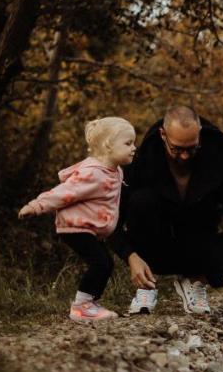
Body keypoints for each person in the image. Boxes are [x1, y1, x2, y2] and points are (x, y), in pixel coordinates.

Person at [110, 106, 223, 315]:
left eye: (191, 148)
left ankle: (194, 280)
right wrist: (131, 256)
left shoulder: (217, 157)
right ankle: (146, 288)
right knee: (142, 200)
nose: (184, 156)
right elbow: (111, 220)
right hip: (155, 249)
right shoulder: (141, 160)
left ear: (200, 133)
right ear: (163, 135)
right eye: (176, 149)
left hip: (199, 245)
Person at [19, 117, 137, 322]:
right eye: (128, 143)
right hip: (75, 227)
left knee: (105, 263)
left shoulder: (115, 170)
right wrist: (36, 206)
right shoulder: (92, 173)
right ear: (108, 146)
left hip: (89, 228)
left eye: (133, 143)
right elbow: (64, 192)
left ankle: (89, 304)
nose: (134, 148)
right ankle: (81, 307)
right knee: (101, 263)